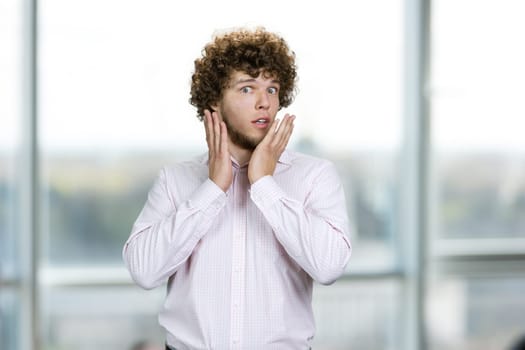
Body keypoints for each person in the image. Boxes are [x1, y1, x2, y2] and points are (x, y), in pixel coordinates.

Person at [123, 27, 352, 350]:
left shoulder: (315, 176)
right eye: (247, 89)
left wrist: (264, 184)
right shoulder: (175, 180)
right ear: (215, 101)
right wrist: (213, 189)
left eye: (272, 89)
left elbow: (329, 267)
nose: (264, 103)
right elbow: (144, 272)